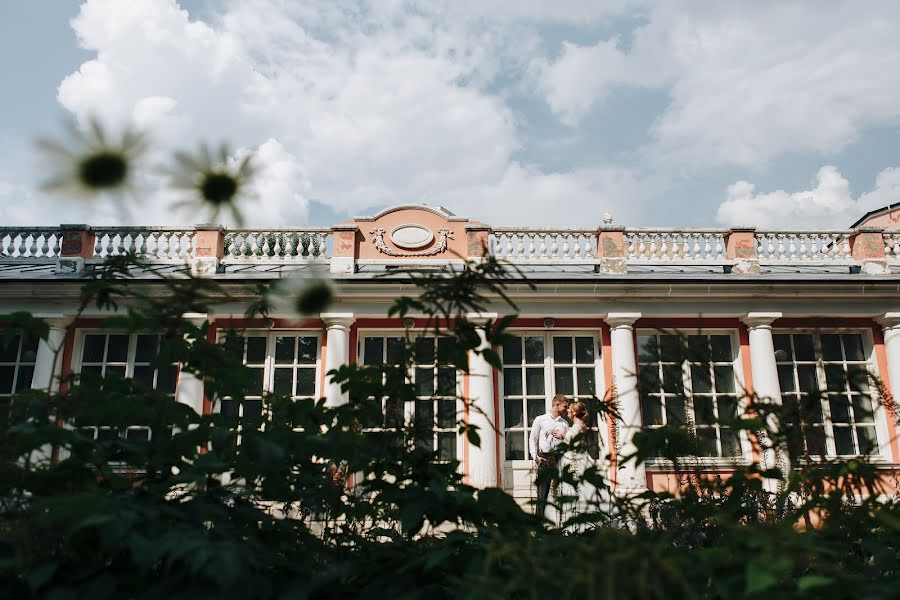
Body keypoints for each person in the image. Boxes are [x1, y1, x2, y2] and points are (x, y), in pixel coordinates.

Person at [528, 394, 569, 519]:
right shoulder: (540, 419)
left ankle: (560, 523)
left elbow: (568, 443)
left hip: (560, 459)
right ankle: (538, 527)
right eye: (565, 407)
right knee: (542, 494)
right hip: (544, 459)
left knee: (561, 492)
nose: (566, 410)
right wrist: (535, 456)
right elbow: (532, 439)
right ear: (557, 405)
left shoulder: (565, 424)